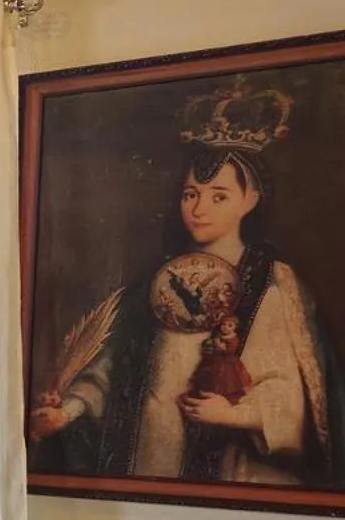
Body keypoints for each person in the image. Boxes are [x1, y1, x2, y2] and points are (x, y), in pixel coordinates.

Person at [29, 140, 341, 486]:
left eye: (218, 196)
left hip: (233, 472)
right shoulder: (155, 284)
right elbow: (111, 374)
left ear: (250, 201)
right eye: (190, 194)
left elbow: (286, 390)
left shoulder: (268, 283)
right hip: (148, 462)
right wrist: (67, 411)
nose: (199, 208)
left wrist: (234, 415)